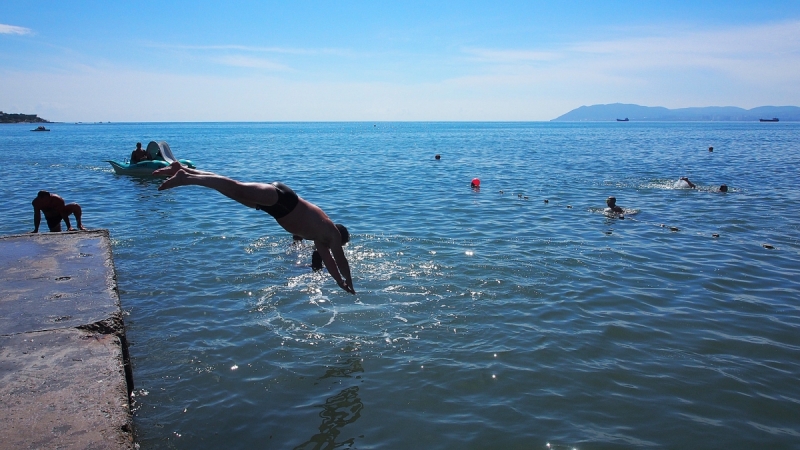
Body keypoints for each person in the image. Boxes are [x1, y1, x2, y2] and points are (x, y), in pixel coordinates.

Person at [154, 162, 356, 294]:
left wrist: (340, 282)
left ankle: (186, 171)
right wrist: (350, 282)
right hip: (284, 200)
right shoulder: (332, 234)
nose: (337, 246)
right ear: (341, 237)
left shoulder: (320, 241)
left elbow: (330, 263)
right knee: (235, 187)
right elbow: (340, 260)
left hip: (276, 210)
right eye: (341, 243)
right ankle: (185, 178)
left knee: (232, 191)